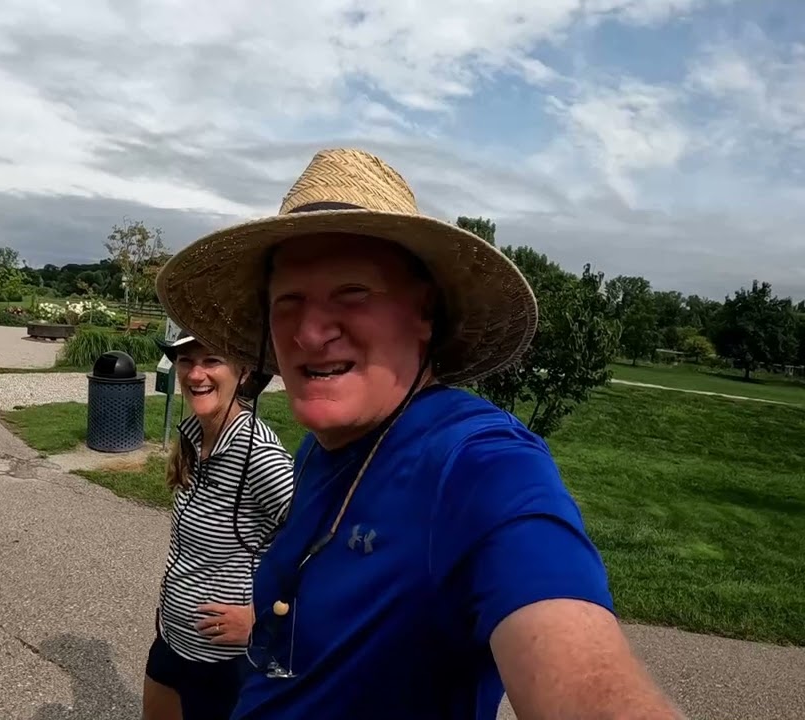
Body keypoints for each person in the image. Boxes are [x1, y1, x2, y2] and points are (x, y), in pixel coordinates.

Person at [153, 148, 683, 719]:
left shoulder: (478, 466)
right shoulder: (321, 449)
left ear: (424, 310)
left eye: (353, 292)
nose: (309, 331)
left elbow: (588, 687)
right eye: (289, 301)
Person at [144, 333, 295, 720]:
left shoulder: (259, 456)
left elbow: (322, 548)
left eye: (211, 361)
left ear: (243, 372)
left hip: (223, 663)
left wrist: (261, 618)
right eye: (185, 362)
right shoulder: (194, 437)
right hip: (172, 638)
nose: (195, 374)